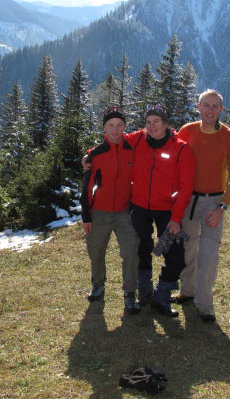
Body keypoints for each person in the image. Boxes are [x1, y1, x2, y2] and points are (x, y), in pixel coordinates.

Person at [175, 90, 230, 322]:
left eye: (215, 107)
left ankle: (204, 304)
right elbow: (172, 157)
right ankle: (187, 292)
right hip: (188, 200)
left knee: (209, 254)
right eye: (206, 105)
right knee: (188, 247)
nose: (210, 110)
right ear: (198, 107)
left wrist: (221, 208)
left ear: (221, 110)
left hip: (214, 201)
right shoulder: (186, 131)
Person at [129, 105, 195, 317]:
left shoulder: (181, 148)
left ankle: (161, 296)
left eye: (157, 121)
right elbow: (112, 140)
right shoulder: (138, 139)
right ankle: (145, 293)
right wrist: (89, 156)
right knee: (141, 249)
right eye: (148, 122)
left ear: (167, 124)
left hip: (168, 211)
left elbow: (186, 187)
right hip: (139, 207)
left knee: (176, 257)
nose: (152, 126)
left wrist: (176, 219)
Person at [80, 106, 141, 314]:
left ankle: (130, 293)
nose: (115, 130)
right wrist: (86, 215)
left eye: (119, 125)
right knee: (96, 251)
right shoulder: (94, 154)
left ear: (125, 126)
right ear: (104, 128)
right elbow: (87, 186)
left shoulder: (133, 149)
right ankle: (98, 285)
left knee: (131, 250)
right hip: (99, 212)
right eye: (110, 126)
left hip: (125, 211)